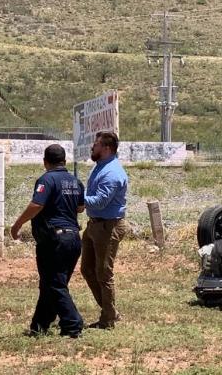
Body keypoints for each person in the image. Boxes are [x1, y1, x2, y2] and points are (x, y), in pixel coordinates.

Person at [11, 144, 84, 338]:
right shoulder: (76, 181)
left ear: (45, 162)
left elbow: (37, 204)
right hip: (74, 239)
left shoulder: (46, 179)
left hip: (54, 240)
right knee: (51, 284)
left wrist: (17, 225)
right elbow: (80, 208)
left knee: (54, 284)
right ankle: (40, 325)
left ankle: (73, 324)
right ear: (65, 161)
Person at [81, 131, 131, 329]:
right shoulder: (100, 167)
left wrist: (77, 198)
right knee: (87, 269)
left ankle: (108, 319)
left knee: (104, 273)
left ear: (107, 148)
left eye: (97, 144)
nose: (93, 147)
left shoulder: (111, 173)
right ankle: (110, 311)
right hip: (95, 225)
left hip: (108, 227)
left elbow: (101, 202)